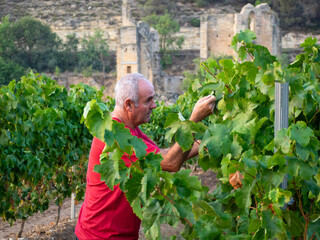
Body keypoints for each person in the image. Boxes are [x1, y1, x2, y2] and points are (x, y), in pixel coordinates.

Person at [75, 73, 216, 240]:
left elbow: (163, 156)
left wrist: (209, 140)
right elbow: (171, 162)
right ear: (128, 104)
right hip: (100, 236)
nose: (154, 105)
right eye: (148, 100)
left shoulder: (128, 129)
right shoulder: (114, 136)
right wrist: (193, 120)